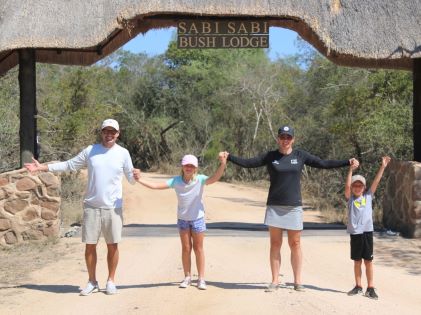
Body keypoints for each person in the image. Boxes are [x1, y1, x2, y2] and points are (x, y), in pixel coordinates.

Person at [222, 125, 359, 292]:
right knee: (275, 244)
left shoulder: (300, 155)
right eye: (282, 137)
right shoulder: (270, 156)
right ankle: (274, 281)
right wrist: (229, 157)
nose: (285, 140)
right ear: (278, 139)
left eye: (288, 137)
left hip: (294, 206)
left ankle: (297, 281)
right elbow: (249, 163)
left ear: (293, 139)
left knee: (295, 243)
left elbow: (323, 163)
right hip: (274, 206)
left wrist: (347, 162)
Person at [24, 119, 138, 296]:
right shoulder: (91, 151)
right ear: (101, 133)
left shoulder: (123, 153)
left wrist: (136, 175)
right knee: (90, 246)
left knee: (113, 245)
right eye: (106, 131)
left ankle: (111, 281)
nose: (109, 135)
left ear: (118, 134)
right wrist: (43, 167)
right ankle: (92, 281)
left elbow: (131, 179)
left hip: (112, 208)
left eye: (112, 132)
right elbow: (70, 164)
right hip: (92, 206)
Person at [134, 153, 227, 290]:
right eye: (186, 165)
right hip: (183, 219)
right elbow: (155, 186)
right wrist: (139, 180)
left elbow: (214, 178)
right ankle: (187, 277)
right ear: (182, 166)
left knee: (198, 248)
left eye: (191, 166)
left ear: (195, 168)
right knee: (186, 248)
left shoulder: (200, 179)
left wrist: (223, 164)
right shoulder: (176, 181)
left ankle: (201, 278)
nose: (188, 168)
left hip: (197, 219)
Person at [345, 156, 391, 300]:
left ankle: (370, 288)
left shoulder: (368, 196)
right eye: (355, 185)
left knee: (368, 261)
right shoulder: (350, 199)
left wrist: (382, 167)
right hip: (355, 234)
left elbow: (376, 181)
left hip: (367, 233)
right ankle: (358, 286)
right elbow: (346, 187)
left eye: (360, 185)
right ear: (352, 188)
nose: (357, 187)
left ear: (364, 187)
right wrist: (350, 170)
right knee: (357, 261)